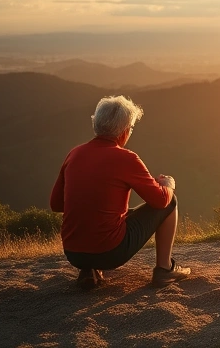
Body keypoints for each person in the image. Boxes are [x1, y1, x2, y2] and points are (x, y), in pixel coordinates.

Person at [50, 95, 191, 289]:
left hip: (73, 253)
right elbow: (160, 201)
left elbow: (56, 204)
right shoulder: (126, 158)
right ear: (124, 131)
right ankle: (165, 269)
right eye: (131, 128)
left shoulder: (74, 154)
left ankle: (89, 270)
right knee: (171, 201)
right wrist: (168, 185)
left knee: (119, 216)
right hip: (109, 252)